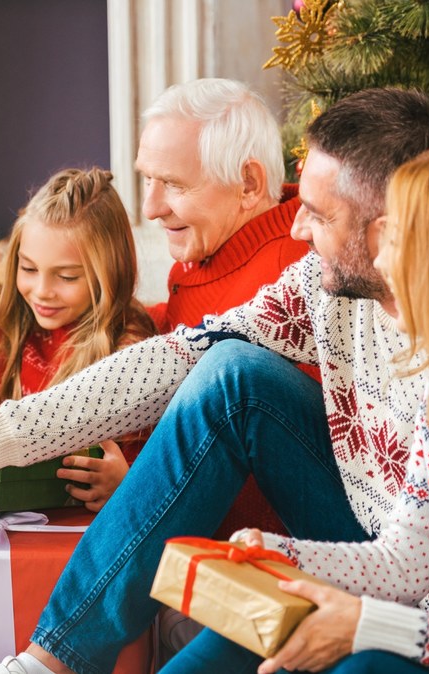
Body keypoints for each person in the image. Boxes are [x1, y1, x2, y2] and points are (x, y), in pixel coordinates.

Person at [0, 87, 429, 674]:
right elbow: (181, 357)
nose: (299, 230)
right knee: (232, 369)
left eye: (320, 213)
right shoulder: (321, 283)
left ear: (387, 231)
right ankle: (47, 662)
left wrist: (325, 592)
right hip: (360, 540)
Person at [183, 140, 429, 674]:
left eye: (396, 239)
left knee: (366, 662)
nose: (380, 259)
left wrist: (366, 625)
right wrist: (280, 557)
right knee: (249, 629)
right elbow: (404, 563)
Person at [135, 77, 312, 540]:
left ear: (248, 184)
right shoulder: (204, 255)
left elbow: (288, 471)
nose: (150, 207)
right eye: (147, 178)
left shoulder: (294, 274)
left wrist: (137, 486)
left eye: (172, 184)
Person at [0, 167, 156, 511]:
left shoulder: (133, 352)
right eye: (29, 269)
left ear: (110, 272)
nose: (42, 292)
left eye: (66, 276)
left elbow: (160, 471)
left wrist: (125, 482)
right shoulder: (0, 344)